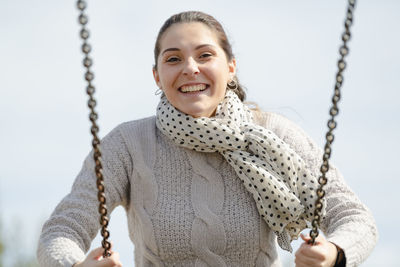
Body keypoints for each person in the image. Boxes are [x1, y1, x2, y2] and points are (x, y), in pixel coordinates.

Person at [37, 11, 378, 267]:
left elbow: (353, 216)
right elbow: (62, 230)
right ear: (157, 76)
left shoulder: (274, 135)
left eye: (204, 55)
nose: (190, 68)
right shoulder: (127, 145)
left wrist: (334, 252)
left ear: (230, 67)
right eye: (173, 59)